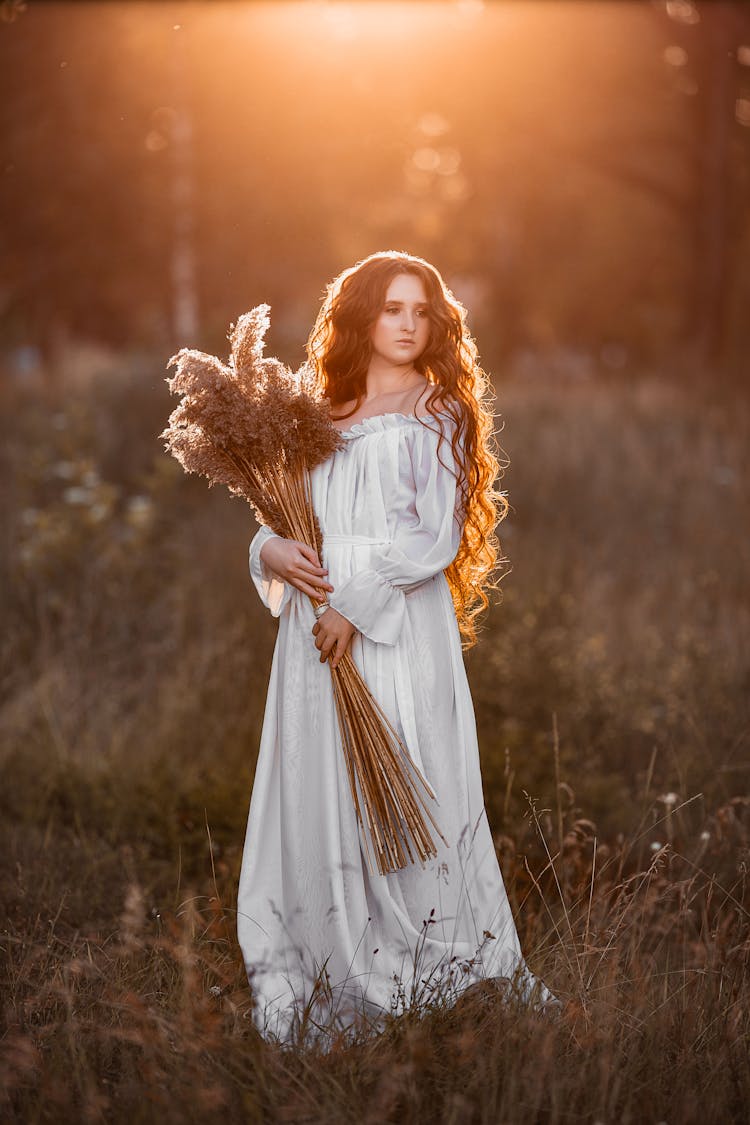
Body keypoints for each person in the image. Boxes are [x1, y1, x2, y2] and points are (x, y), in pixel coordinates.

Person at [237, 250, 559, 1049]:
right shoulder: (317, 411)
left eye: (422, 311)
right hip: (310, 629)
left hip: (393, 623)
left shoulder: (439, 409)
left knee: (414, 778)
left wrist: (356, 602)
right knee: (326, 786)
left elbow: (435, 533)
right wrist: (266, 552)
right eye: (393, 310)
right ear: (360, 318)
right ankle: (327, 959)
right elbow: (284, 518)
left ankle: (427, 963)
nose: (410, 325)